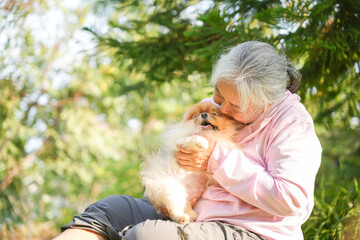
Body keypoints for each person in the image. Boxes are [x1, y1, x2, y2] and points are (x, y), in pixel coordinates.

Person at [53, 41, 322, 240]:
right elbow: (174, 154)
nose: (221, 109)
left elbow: (292, 199)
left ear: (265, 103)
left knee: (147, 237)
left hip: (251, 231)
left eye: (235, 106)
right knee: (109, 209)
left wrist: (215, 159)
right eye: (218, 95)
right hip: (192, 213)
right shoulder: (217, 108)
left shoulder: (291, 123)